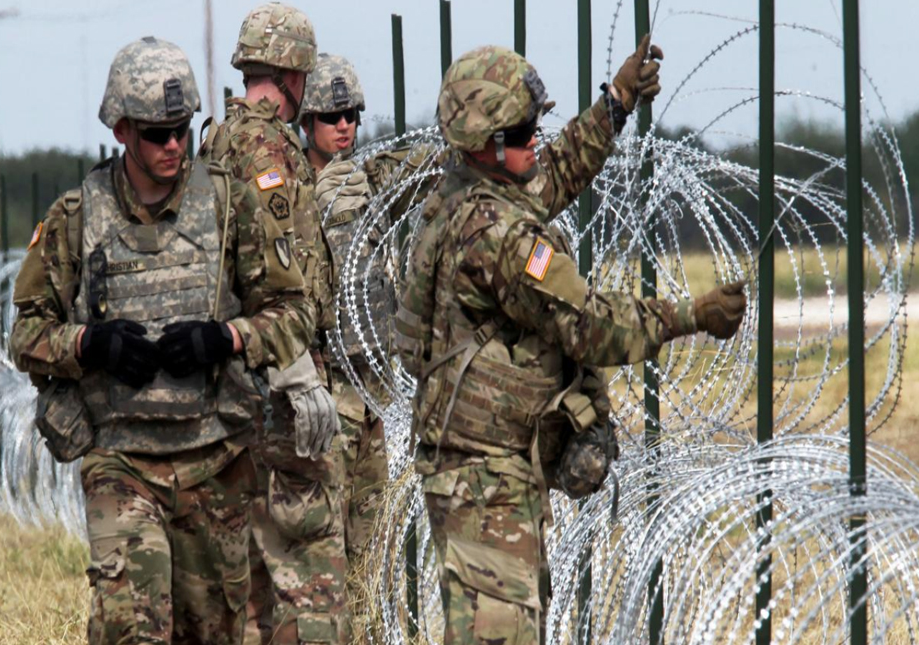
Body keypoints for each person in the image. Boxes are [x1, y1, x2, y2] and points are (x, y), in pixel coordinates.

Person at [394, 38, 748, 644]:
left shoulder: (467, 193)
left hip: (478, 473)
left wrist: (615, 104)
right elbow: (587, 322)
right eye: (525, 131)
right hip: (487, 483)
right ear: (487, 143)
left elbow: (552, 173)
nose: (537, 139)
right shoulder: (499, 235)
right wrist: (690, 315)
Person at [9, 36, 322, 645]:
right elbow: (25, 335)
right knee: (133, 627)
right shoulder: (77, 217)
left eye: (181, 128)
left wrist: (225, 338)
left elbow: (293, 313)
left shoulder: (231, 207)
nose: (174, 144)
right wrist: (87, 346)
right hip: (120, 459)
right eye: (157, 133)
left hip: (217, 461)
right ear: (122, 129)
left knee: (219, 631)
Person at [200, 4, 348, 644]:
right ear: (293, 73)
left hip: (232, 383)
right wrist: (297, 375)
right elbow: (274, 267)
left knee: (254, 582)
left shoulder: (216, 140)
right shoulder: (266, 148)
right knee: (310, 582)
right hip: (275, 390)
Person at [298, 53, 390, 583]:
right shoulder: (291, 196)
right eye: (331, 118)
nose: (344, 127)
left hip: (372, 387)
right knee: (324, 544)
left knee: (371, 542)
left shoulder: (369, 187)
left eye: (351, 115)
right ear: (307, 123)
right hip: (327, 390)